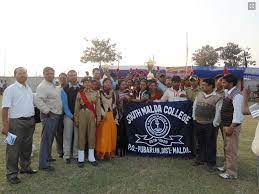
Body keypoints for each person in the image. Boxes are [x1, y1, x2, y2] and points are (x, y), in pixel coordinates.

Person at [1, 67, 37, 184]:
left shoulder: (28, 88)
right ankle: (11, 174)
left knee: (27, 147)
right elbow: (5, 109)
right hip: (15, 123)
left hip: (29, 122)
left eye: (24, 73)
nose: (23, 75)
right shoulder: (10, 89)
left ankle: (25, 167)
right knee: (12, 149)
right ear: (15, 75)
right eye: (20, 73)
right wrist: (5, 125)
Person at [35, 67, 63, 171]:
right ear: (44, 74)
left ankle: (48, 157)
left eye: (52, 73)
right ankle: (43, 164)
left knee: (50, 138)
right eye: (48, 73)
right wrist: (48, 111)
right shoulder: (42, 86)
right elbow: (38, 101)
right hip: (49, 115)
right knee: (46, 139)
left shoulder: (52, 84)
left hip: (55, 115)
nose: (50, 75)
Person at [192, 78, 222, 172]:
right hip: (198, 122)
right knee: (200, 142)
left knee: (210, 143)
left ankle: (211, 163)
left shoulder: (217, 97)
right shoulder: (199, 94)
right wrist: (194, 117)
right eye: (202, 85)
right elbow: (195, 106)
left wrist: (215, 124)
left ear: (211, 86)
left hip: (210, 124)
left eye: (204, 85)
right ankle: (200, 159)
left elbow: (218, 112)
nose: (202, 86)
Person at [218, 74, 244, 180]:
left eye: (224, 82)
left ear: (231, 83)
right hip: (226, 124)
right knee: (226, 147)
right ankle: (226, 166)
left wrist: (231, 127)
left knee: (231, 149)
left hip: (231, 126)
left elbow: (238, 114)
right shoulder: (229, 93)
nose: (222, 84)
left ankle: (231, 173)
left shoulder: (237, 95)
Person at [74, 77, 101, 167]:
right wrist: (76, 118)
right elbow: (76, 107)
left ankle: (91, 157)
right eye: (86, 82)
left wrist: (99, 118)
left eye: (89, 82)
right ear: (83, 83)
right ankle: (81, 158)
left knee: (91, 135)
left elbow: (97, 107)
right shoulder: (80, 93)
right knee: (81, 136)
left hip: (92, 116)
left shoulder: (96, 93)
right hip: (82, 114)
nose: (88, 84)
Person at [61, 70, 83, 164]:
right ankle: (66, 155)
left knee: (77, 136)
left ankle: (76, 155)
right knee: (67, 136)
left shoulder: (82, 88)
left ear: (77, 76)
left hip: (80, 116)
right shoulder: (64, 89)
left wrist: (78, 115)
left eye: (74, 75)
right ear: (68, 77)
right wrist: (72, 116)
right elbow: (65, 106)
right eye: (71, 75)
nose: (73, 77)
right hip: (68, 116)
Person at [95, 78, 117, 160]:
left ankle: (109, 152)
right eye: (106, 82)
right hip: (103, 116)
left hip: (111, 115)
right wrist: (102, 114)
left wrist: (115, 114)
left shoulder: (113, 92)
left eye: (109, 83)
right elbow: (98, 104)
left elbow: (114, 103)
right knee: (103, 134)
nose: (108, 84)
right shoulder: (99, 92)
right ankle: (101, 153)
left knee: (111, 134)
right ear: (103, 84)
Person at [115, 80, 130, 156]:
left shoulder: (128, 92)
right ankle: (117, 148)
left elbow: (130, 101)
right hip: (118, 115)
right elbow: (114, 102)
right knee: (118, 132)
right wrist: (119, 99)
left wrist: (127, 98)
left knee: (124, 132)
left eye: (125, 84)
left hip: (126, 114)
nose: (124, 86)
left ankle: (124, 148)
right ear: (119, 85)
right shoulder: (116, 92)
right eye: (122, 84)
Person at [55, 73, 67, 158]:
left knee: (68, 132)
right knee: (58, 132)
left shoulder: (69, 88)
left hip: (68, 113)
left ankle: (67, 149)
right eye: (61, 78)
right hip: (58, 113)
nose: (62, 79)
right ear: (59, 79)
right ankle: (60, 150)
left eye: (64, 78)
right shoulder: (56, 89)